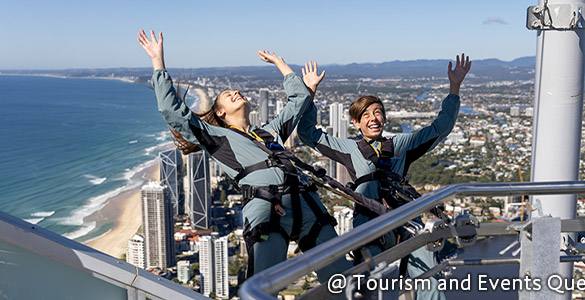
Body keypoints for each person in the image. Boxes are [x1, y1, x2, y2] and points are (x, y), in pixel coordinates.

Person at [137, 29, 349, 282]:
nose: (236, 92)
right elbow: (172, 111)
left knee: (341, 277)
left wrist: (280, 63)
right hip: (267, 208)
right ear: (221, 113)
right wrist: (157, 61)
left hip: (306, 203)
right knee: (264, 284)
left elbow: (300, 99)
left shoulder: (270, 133)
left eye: (235, 91)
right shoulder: (217, 138)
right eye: (228, 95)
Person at [298, 54, 471, 299]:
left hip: (405, 219)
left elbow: (438, 129)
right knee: (373, 281)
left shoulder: (402, 144)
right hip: (369, 221)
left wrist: (455, 88)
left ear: (385, 118)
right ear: (356, 123)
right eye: (366, 115)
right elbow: (309, 134)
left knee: (428, 276)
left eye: (377, 112)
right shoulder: (350, 149)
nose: (373, 118)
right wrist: (310, 92)